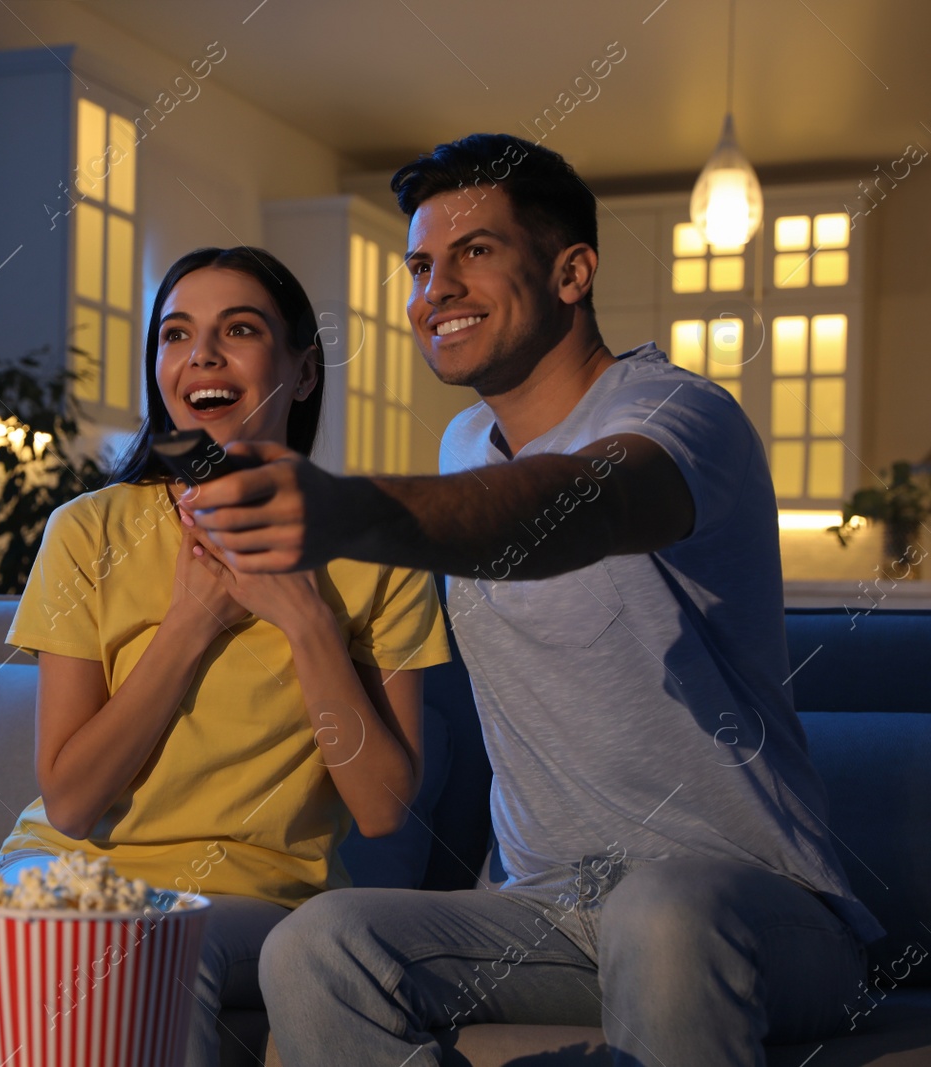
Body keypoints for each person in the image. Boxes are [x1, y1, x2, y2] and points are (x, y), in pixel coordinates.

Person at [184, 135, 882, 1066]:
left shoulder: (681, 415)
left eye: (475, 252)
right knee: (319, 942)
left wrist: (348, 506)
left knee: (660, 909)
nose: (437, 289)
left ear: (571, 271)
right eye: (421, 265)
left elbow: (577, 504)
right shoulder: (464, 441)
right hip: (545, 908)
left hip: (755, 908)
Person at [0, 246, 452, 1067]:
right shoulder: (85, 531)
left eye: (238, 329)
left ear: (304, 371)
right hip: (68, 872)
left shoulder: (378, 546)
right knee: (102, 942)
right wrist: (189, 626)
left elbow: (382, 809)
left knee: (154, 947)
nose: (200, 354)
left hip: (256, 894)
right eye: (175, 334)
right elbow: (68, 799)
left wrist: (308, 618)